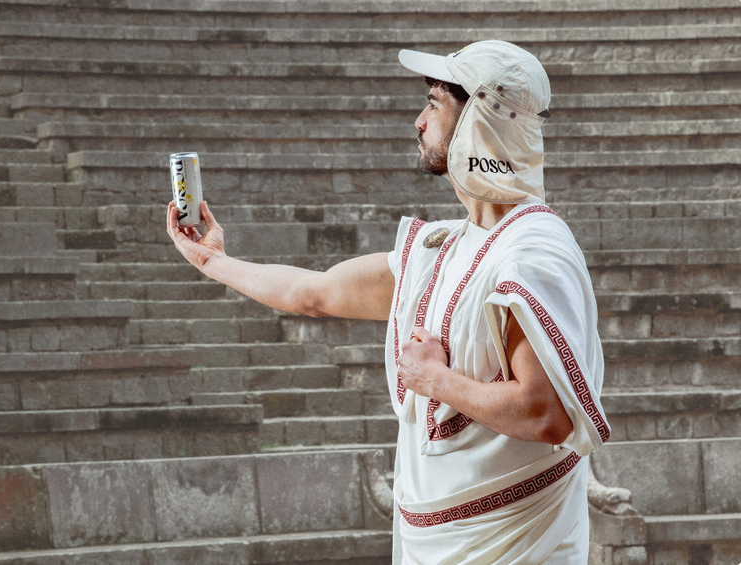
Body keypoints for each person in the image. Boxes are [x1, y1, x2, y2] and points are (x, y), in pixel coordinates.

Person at [167, 40, 609, 565]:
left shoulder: (532, 253)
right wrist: (212, 261)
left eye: (433, 103)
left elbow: (547, 415)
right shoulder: (442, 248)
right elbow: (315, 293)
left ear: (480, 121)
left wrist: (435, 380)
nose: (419, 122)